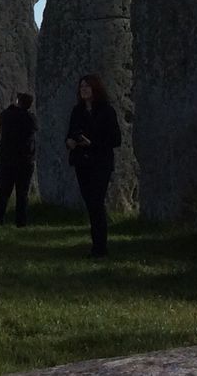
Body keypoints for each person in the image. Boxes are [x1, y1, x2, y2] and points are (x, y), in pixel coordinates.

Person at [66, 74, 121, 258]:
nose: (83, 90)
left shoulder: (107, 111)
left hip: (100, 162)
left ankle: (100, 247)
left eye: (87, 86)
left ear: (95, 88)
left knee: (97, 202)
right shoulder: (77, 111)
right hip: (82, 162)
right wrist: (70, 142)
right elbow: (70, 133)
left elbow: (116, 139)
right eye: (81, 86)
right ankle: (97, 244)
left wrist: (92, 143)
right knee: (91, 204)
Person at [0, 92, 36, 227]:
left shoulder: (9, 115)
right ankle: (21, 222)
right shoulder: (30, 118)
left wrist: (11, 108)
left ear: (18, 101)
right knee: (22, 194)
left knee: (4, 193)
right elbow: (35, 126)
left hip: (8, 159)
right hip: (25, 160)